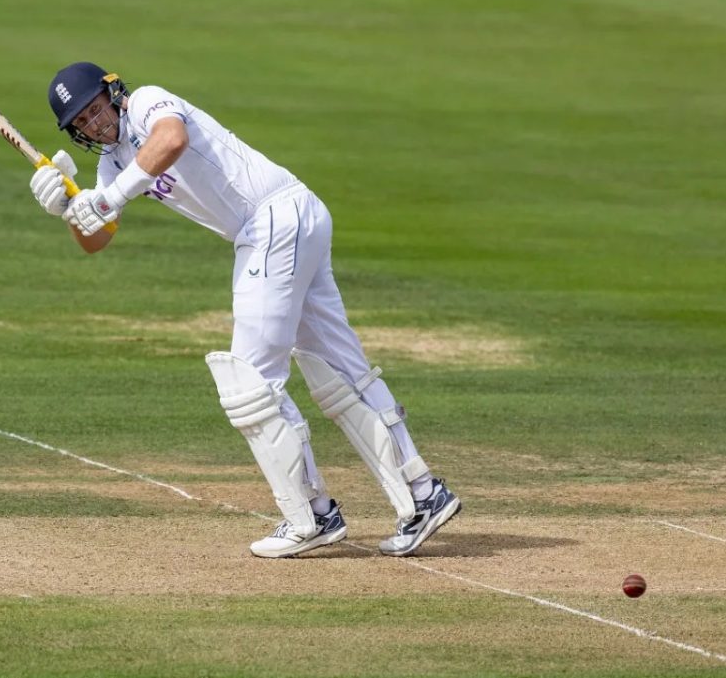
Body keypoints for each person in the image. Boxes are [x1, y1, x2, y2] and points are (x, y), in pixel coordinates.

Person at [28, 62, 460, 558]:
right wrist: (69, 205)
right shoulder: (112, 165)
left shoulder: (148, 103)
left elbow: (170, 141)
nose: (93, 124)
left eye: (94, 110)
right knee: (340, 372)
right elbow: (96, 241)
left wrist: (107, 199)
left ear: (113, 93)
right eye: (80, 123)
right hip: (286, 224)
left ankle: (311, 515)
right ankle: (423, 494)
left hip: (273, 220)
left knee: (250, 381)